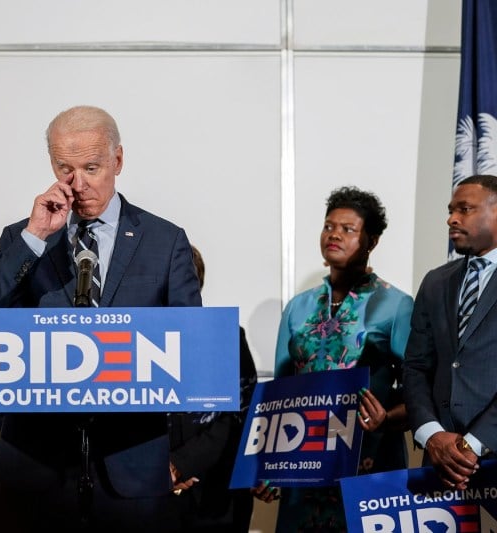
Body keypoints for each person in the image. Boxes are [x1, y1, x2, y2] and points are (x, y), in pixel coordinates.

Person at [0, 105, 202, 531]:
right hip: (35, 462)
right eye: (65, 168)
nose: (79, 184)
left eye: (92, 167)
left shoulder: (165, 241)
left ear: (118, 160)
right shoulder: (25, 237)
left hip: (130, 462)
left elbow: (191, 350)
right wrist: (36, 237)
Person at [253, 186, 413, 532]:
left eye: (348, 229)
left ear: (372, 240)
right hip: (303, 461)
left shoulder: (396, 305)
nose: (334, 235)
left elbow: (419, 389)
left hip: (368, 466)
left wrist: (387, 418)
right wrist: (267, 463)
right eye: (329, 226)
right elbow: (281, 391)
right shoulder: (299, 306)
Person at [403, 174, 497, 490]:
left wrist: (473, 444)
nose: (451, 219)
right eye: (450, 209)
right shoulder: (435, 281)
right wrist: (432, 435)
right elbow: (416, 367)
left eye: (464, 209)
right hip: (440, 464)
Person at [168, 245, 258, 531]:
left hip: (217, 494)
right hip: (149, 491)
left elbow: (239, 415)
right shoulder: (131, 340)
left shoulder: (227, 337)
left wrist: (180, 464)